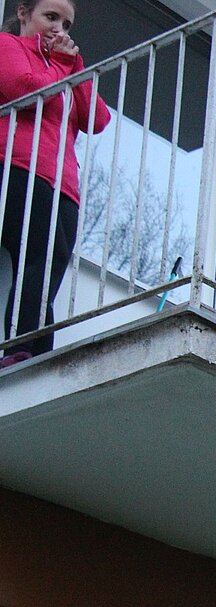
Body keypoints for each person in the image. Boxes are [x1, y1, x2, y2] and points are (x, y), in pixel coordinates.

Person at [0, 0, 109, 369]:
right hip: (19, 167)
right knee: (40, 255)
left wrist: (74, 65)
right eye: (50, 17)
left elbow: (97, 119)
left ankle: (34, 355)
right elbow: (22, 89)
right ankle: (20, 347)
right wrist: (62, 66)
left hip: (63, 184)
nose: (58, 28)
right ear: (23, 13)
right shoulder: (9, 46)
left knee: (51, 262)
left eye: (66, 23)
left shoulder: (62, 66)